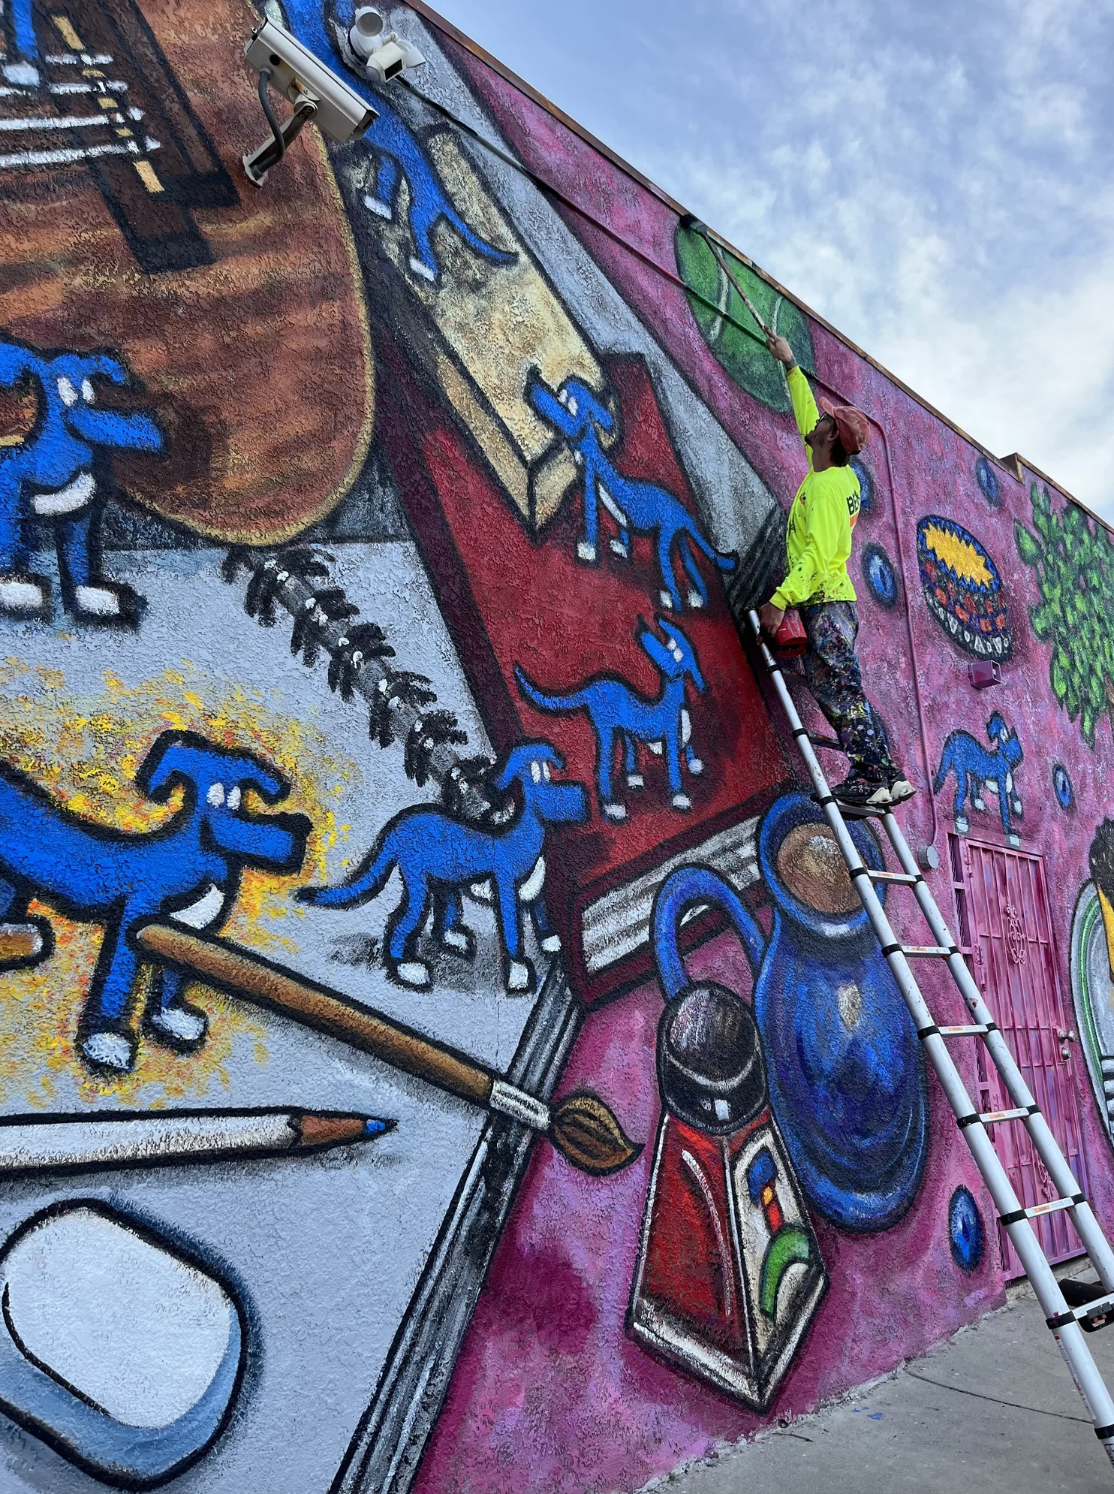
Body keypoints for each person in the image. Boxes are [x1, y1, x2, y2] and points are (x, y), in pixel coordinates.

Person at [758, 333, 914, 809]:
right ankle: (885, 775)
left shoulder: (826, 489)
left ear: (830, 439)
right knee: (843, 685)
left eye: (825, 421)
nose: (818, 420)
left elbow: (817, 556)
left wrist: (779, 599)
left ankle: (871, 774)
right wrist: (790, 366)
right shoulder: (835, 473)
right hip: (834, 602)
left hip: (824, 600)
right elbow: (807, 416)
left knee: (838, 687)